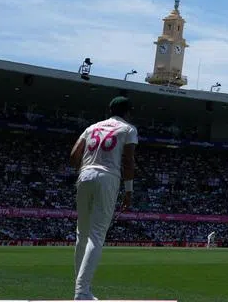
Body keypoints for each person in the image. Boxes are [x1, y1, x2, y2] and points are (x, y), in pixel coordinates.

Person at [69, 95, 139, 301]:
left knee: (82, 233)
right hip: (108, 177)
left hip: (85, 174)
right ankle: (81, 292)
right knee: (96, 235)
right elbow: (128, 160)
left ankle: (81, 289)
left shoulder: (91, 127)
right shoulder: (129, 129)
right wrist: (129, 191)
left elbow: (74, 155)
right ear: (128, 112)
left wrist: (86, 172)